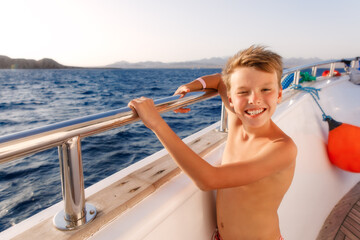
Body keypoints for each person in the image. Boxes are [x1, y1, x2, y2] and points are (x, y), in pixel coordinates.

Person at [128, 45, 297, 240]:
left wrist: (157, 123)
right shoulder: (236, 119)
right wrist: (191, 86)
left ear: (279, 94)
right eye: (243, 92)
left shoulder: (282, 148)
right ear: (231, 99)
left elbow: (209, 180)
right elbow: (219, 80)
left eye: (265, 89)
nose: (254, 100)